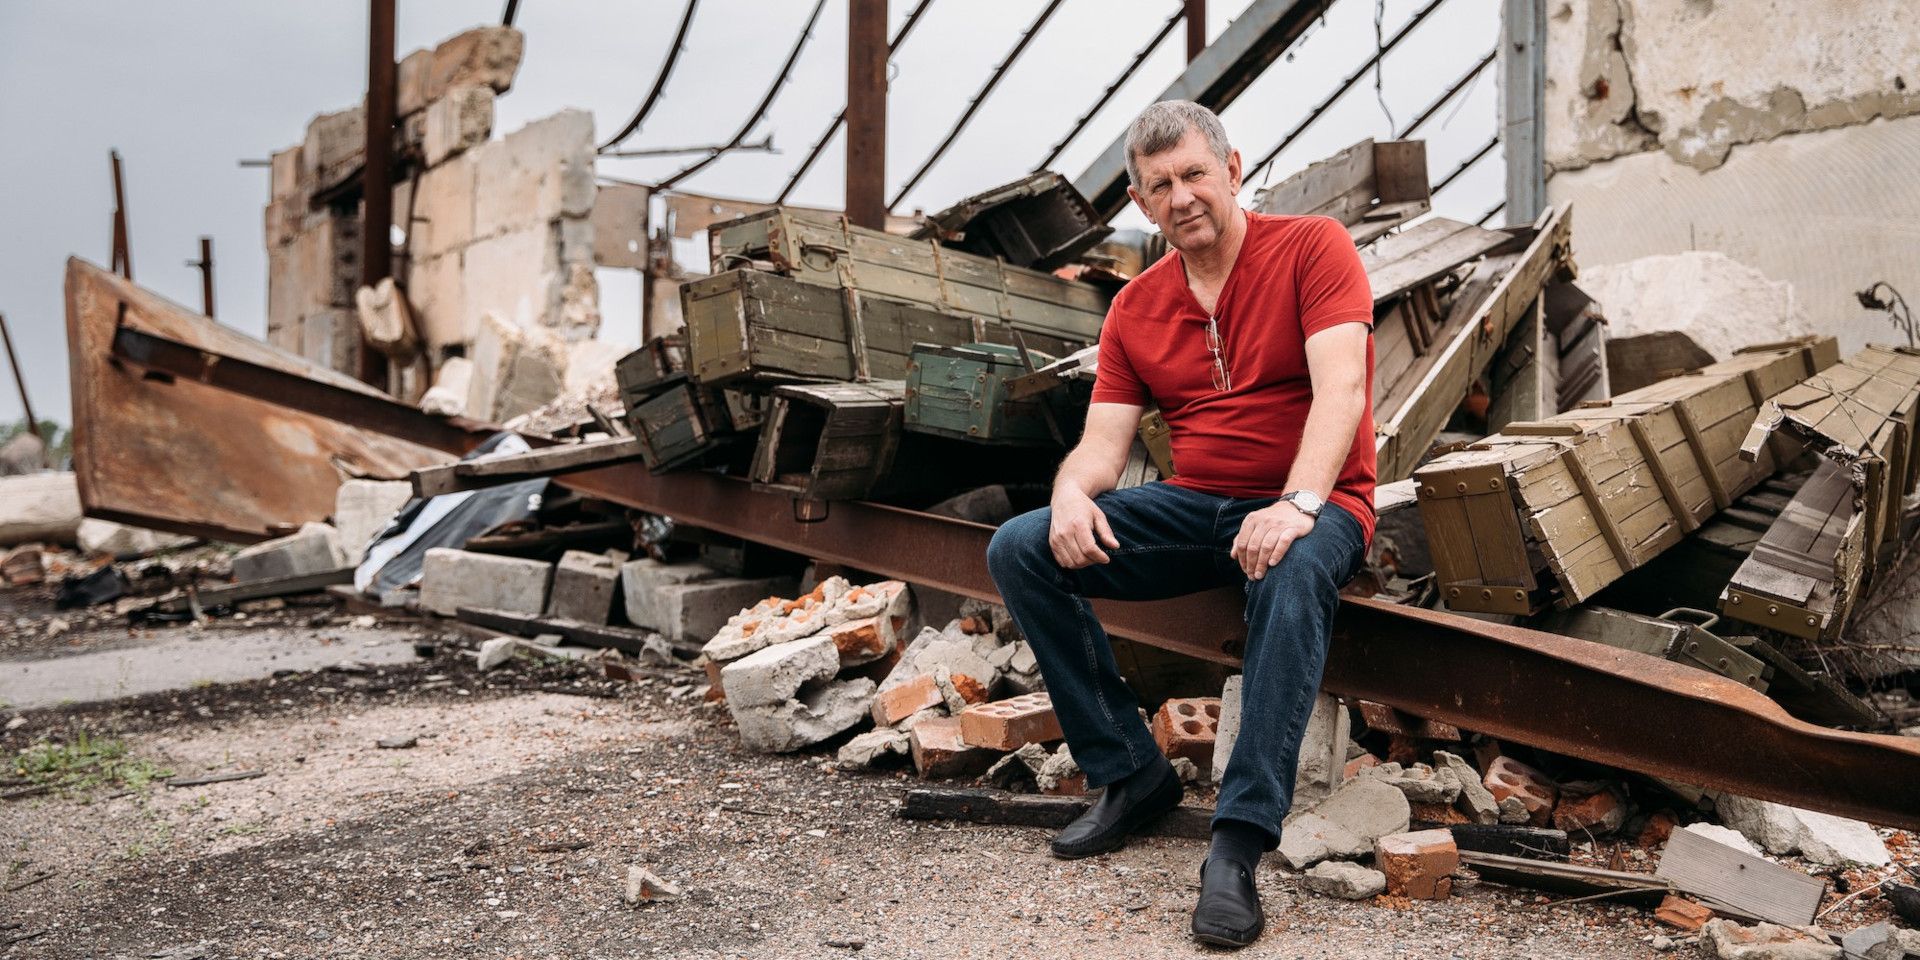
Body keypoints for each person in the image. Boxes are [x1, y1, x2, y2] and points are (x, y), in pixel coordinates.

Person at [985, 99, 1375, 948]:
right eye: (1161, 185)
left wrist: (1296, 504)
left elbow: (1341, 389)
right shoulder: (1134, 308)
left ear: (1233, 171)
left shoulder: (1314, 247)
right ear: (1139, 201)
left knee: (1293, 565)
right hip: (1199, 507)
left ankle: (1235, 847)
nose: (1182, 196)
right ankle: (1131, 774)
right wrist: (1070, 497)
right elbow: (1102, 442)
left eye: (1196, 174)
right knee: (1020, 547)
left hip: (1322, 500)